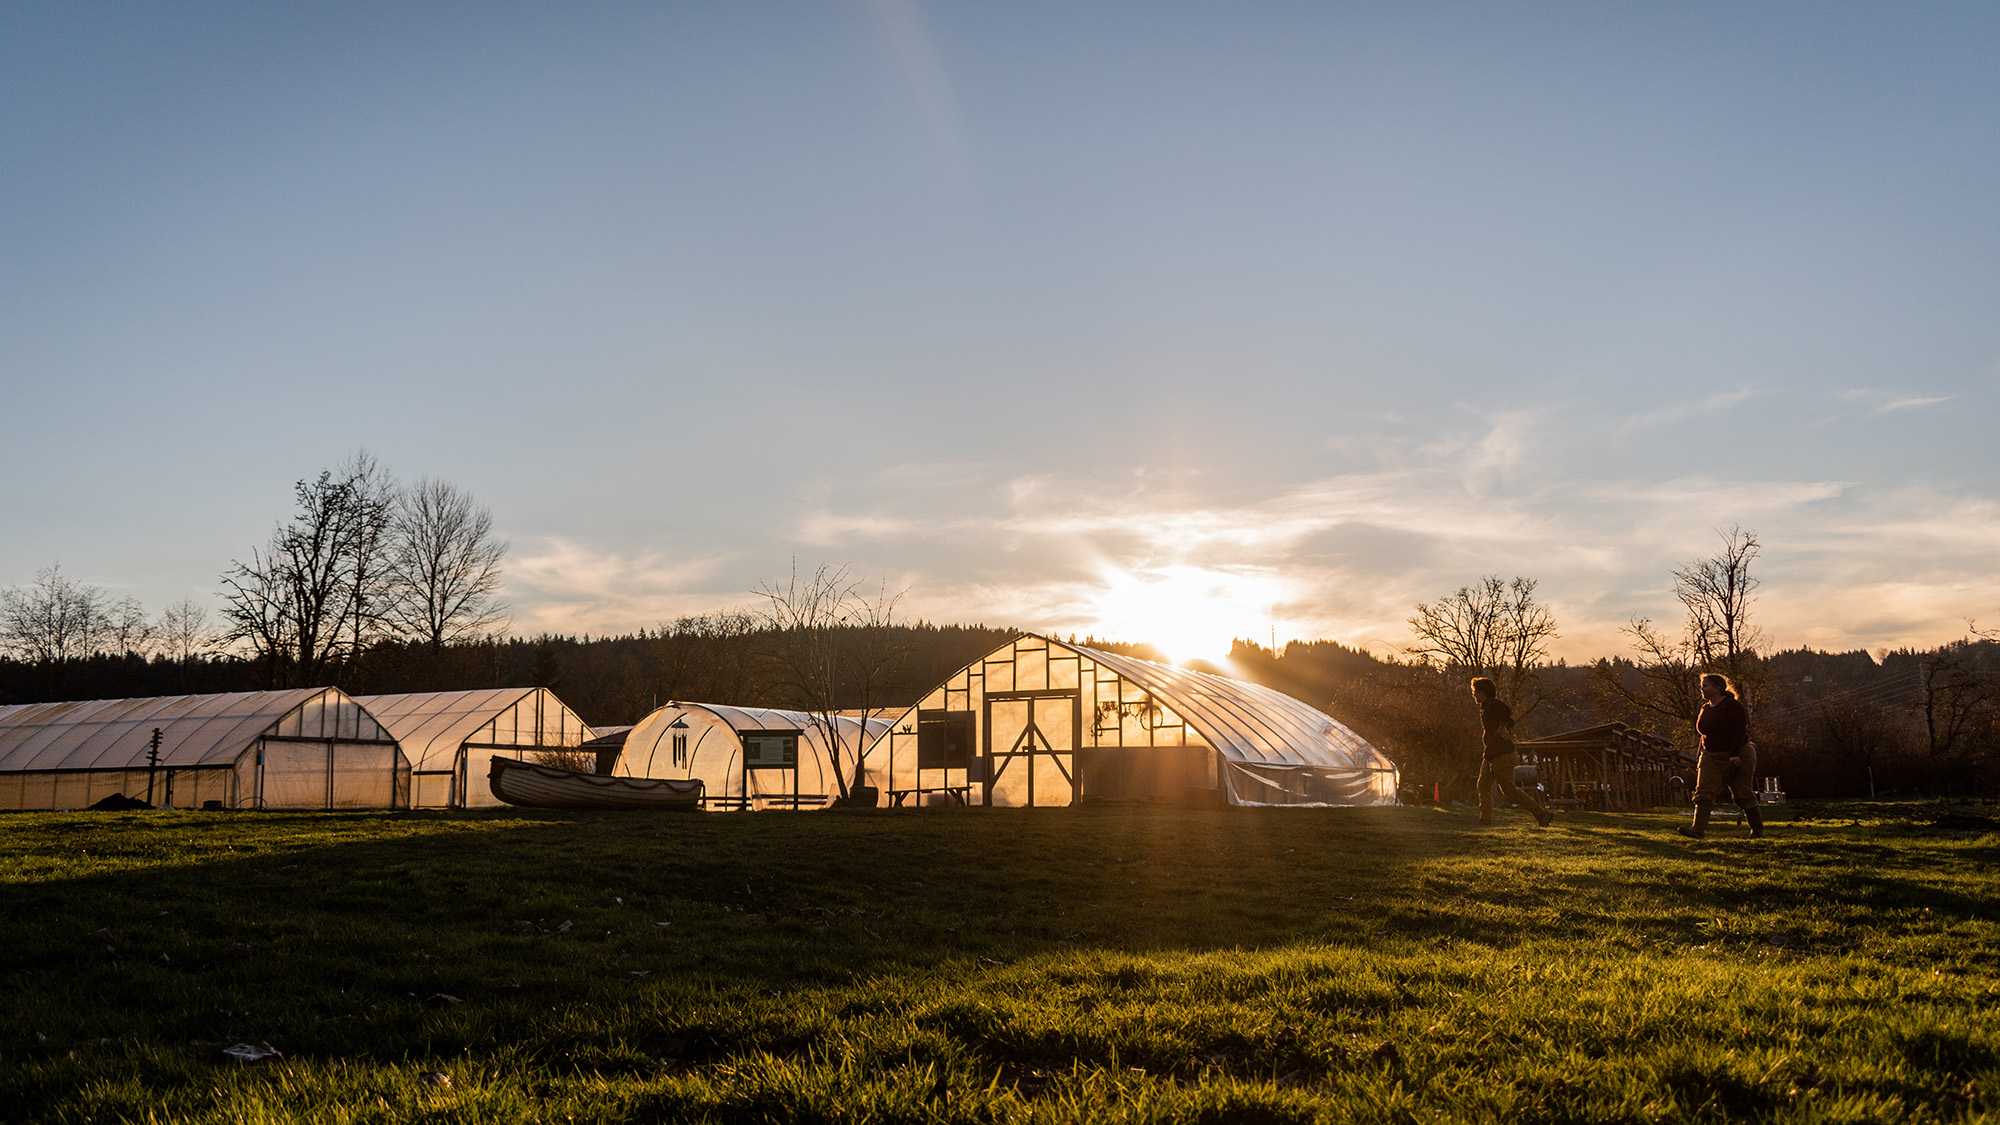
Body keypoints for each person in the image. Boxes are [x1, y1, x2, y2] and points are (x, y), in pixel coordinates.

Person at [1677, 673, 1763, 839]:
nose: (1702, 689)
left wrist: (1735, 754)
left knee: (1742, 793)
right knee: (1703, 791)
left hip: (1739, 753)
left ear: (1718, 688)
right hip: (1711, 755)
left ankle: (1757, 830)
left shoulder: (1733, 706)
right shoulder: (1705, 708)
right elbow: (1704, 735)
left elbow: (1739, 731)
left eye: (1705, 686)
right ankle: (1697, 829)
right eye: (1702, 686)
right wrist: (1699, 756)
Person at [1471, 677, 1552, 827]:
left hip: (1503, 754)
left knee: (1508, 789)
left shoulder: (1493, 705)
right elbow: (1508, 719)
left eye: (1475, 692)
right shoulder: (1485, 707)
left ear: (1483, 693)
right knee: (1483, 785)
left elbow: (1506, 712)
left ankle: (1542, 814)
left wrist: (1502, 727)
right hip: (1491, 754)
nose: (1474, 695)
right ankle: (1485, 820)